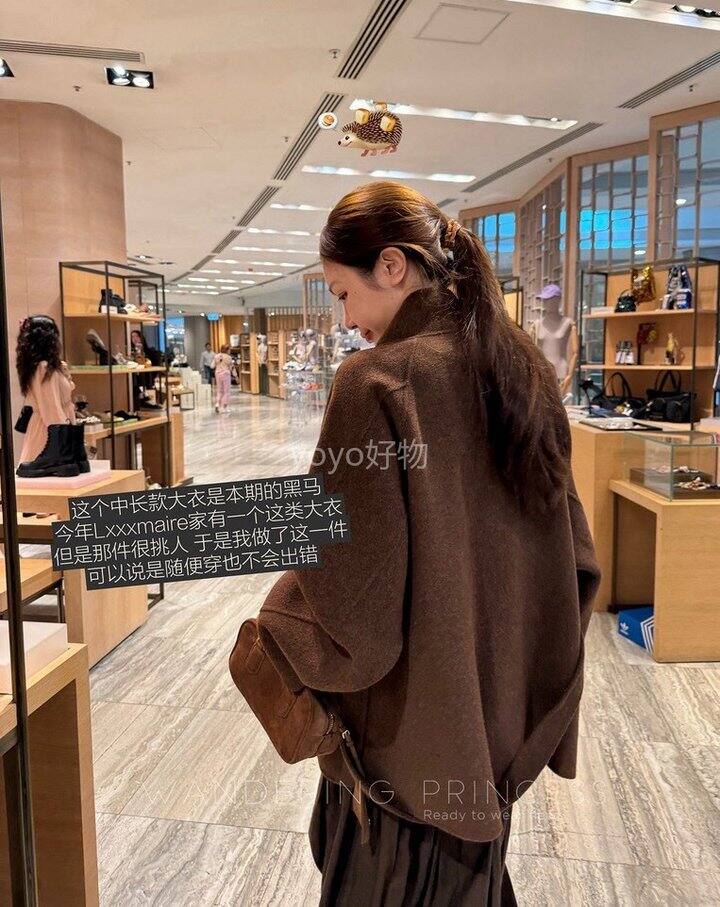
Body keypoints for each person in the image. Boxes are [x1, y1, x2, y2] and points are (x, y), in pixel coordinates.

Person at [253, 182, 601, 905]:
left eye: (342, 294)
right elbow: (575, 563)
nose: (346, 320)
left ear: (391, 266)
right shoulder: (525, 375)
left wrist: (280, 614)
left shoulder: (376, 381)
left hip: (405, 755)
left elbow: (360, 620)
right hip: (494, 740)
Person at [15, 314, 82, 470]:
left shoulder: (48, 367)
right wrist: (63, 441)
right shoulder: (43, 368)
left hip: (55, 429)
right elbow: (51, 409)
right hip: (48, 435)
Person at [213, 344, 236, 413]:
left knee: (219, 390)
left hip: (218, 374)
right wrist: (235, 375)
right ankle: (224, 407)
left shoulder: (216, 356)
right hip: (226, 374)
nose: (230, 351)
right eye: (229, 349)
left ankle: (217, 404)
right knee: (226, 391)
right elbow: (232, 367)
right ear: (227, 350)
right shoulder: (228, 357)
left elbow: (212, 366)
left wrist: (218, 365)